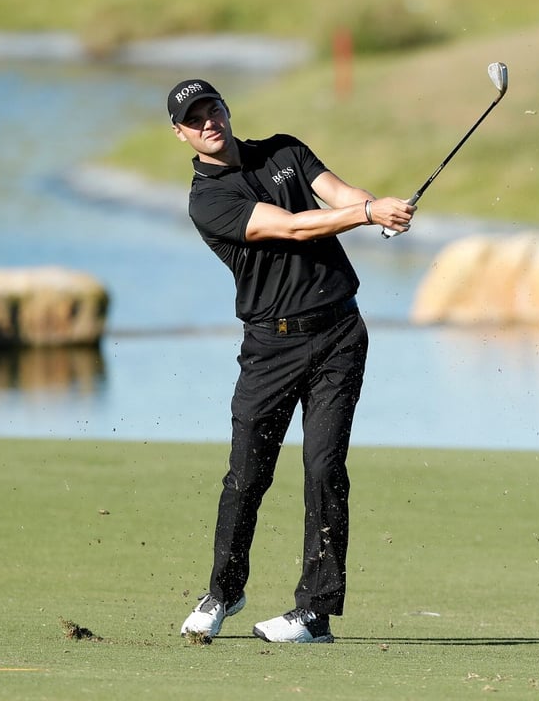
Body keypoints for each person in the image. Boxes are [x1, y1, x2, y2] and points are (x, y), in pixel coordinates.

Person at [167, 78, 415, 643]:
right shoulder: (207, 199)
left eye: (213, 109)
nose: (208, 122)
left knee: (325, 469)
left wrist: (381, 208)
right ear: (181, 133)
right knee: (247, 475)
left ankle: (315, 612)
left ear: (227, 111)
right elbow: (296, 227)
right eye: (194, 118)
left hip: (340, 334)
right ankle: (224, 592)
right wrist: (369, 213)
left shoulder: (285, 150)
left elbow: (339, 194)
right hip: (270, 348)